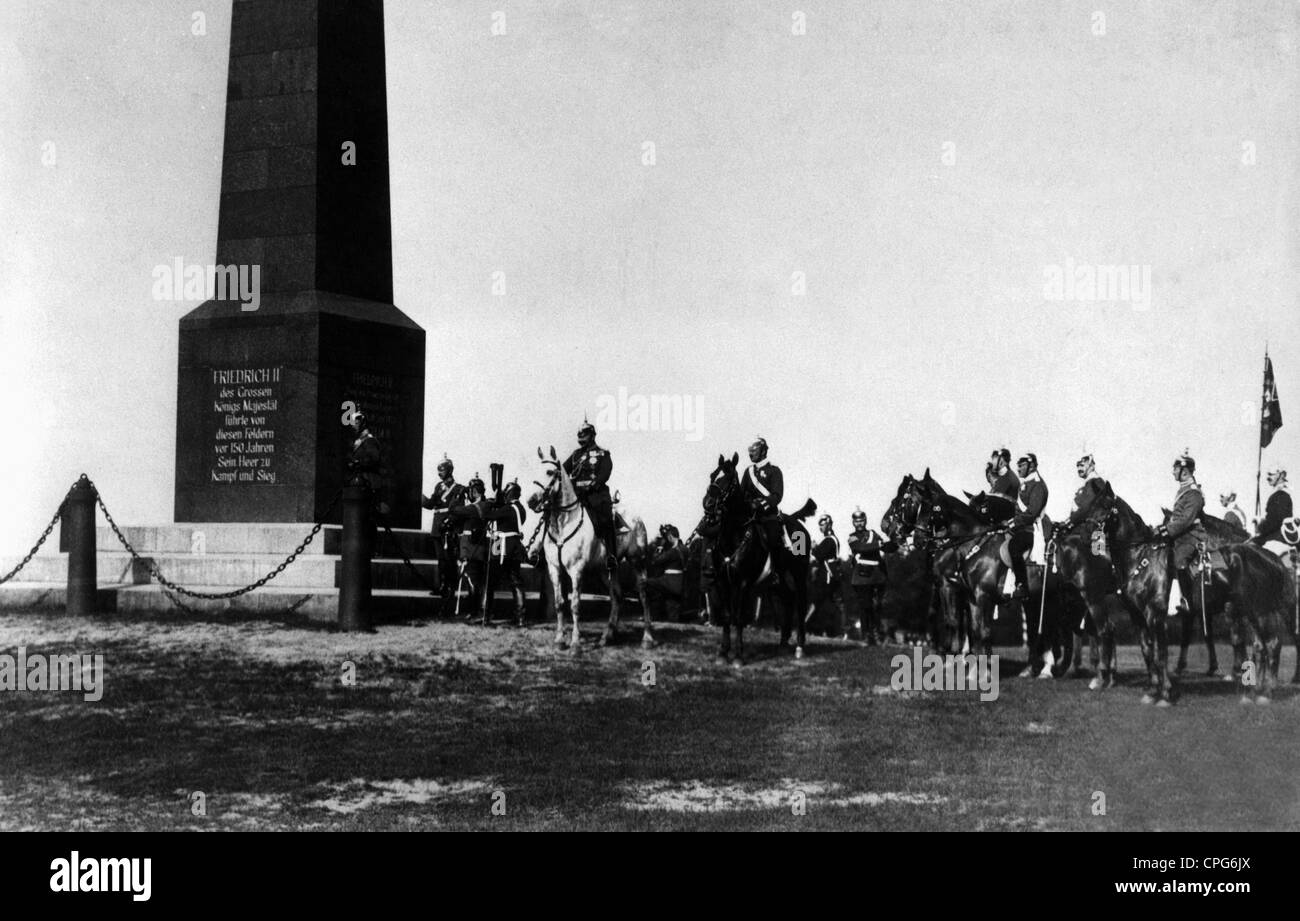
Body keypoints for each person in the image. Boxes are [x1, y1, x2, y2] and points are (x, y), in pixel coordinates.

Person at [1156, 451, 1208, 618]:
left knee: (1179, 559)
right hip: (1180, 535)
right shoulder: (1184, 489)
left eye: (1175, 468)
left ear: (1184, 471)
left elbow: (1186, 520)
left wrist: (1167, 530)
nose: (1173, 472)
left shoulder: (1194, 492)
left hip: (1192, 536)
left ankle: (1186, 600)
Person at [563, 420, 617, 569]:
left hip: (596, 496)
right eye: (579, 435)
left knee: (606, 520)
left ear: (592, 435)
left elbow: (604, 473)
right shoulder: (575, 455)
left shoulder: (603, 454)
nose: (581, 437)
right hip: (577, 497)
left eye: (584, 434)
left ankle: (611, 555)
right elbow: (563, 471)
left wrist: (592, 485)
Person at [422, 455, 467, 613]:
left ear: (449, 470)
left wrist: (450, 524)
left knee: (450, 559)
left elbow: (458, 511)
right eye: (438, 470)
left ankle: (450, 588)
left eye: (442, 470)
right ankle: (442, 586)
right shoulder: (438, 487)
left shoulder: (458, 489)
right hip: (437, 528)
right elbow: (431, 504)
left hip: (448, 528)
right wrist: (419, 497)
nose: (439, 473)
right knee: (441, 559)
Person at [1004, 453, 1049, 601]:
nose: (1018, 468)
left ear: (1032, 466)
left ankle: (1022, 585)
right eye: (1018, 465)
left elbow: (1032, 513)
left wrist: (1013, 522)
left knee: (1014, 547)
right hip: (1022, 527)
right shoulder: (1026, 484)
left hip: (1033, 529)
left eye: (1022, 465)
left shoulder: (1038, 485)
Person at [739, 437, 788, 556]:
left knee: (774, 541)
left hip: (768, 516)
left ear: (763, 451)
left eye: (754, 450)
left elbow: (777, 495)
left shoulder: (774, 470)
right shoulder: (748, 471)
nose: (750, 454)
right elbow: (741, 494)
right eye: (750, 450)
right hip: (749, 516)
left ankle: (777, 567)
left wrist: (759, 504)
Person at [809, 514, 846, 637]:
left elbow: (819, 555)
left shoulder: (830, 540)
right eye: (820, 525)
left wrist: (814, 548)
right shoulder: (829, 539)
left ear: (829, 525)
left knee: (821, 601)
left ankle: (812, 627)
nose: (821, 527)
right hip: (828, 573)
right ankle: (825, 629)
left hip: (827, 574)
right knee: (824, 602)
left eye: (823, 524)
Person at [646, 524, 687, 622]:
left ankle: (653, 617)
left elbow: (655, 561)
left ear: (670, 537)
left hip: (669, 582)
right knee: (672, 605)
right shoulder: (685, 549)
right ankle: (673, 622)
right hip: (680, 583)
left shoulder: (672, 551)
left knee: (646, 583)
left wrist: (660, 547)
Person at [1253, 465, 1293, 551]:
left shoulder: (1281, 494)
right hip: (1275, 536)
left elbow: (1275, 522)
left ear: (1281, 475)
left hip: (1277, 539)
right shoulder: (1277, 494)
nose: (1268, 478)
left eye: (1271, 474)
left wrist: (1260, 527)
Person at [978, 448, 1020, 525]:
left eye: (994, 459)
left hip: (1003, 521)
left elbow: (994, 498)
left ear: (1001, 461)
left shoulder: (1008, 477)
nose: (992, 462)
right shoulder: (1005, 476)